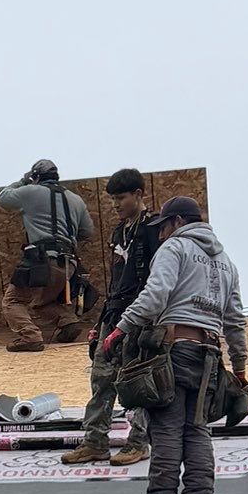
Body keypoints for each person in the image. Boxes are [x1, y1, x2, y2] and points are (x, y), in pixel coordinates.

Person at [99, 195, 248, 494]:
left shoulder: (175, 248)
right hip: (209, 357)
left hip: (174, 350)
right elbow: (235, 322)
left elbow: (155, 295)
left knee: (166, 427)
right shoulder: (227, 263)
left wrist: (120, 329)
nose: (161, 234)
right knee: (197, 429)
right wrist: (239, 369)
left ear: (178, 222)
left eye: (163, 226)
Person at [62, 168, 164, 467]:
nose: (115, 204)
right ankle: (95, 443)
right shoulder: (120, 231)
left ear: (138, 194)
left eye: (120, 198)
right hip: (114, 313)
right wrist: (100, 322)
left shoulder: (154, 228)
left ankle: (138, 443)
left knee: (137, 381)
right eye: (112, 199)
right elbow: (117, 280)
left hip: (141, 316)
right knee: (101, 378)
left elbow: (159, 281)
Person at [0, 161, 93, 350]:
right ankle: (68, 322)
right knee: (41, 303)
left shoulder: (30, 191)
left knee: (13, 301)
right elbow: (87, 231)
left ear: (36, 177)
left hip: (40, 260)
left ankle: (30, 337)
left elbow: (3, 198)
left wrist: (23, 181)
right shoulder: (76, 199)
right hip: (68, 263)